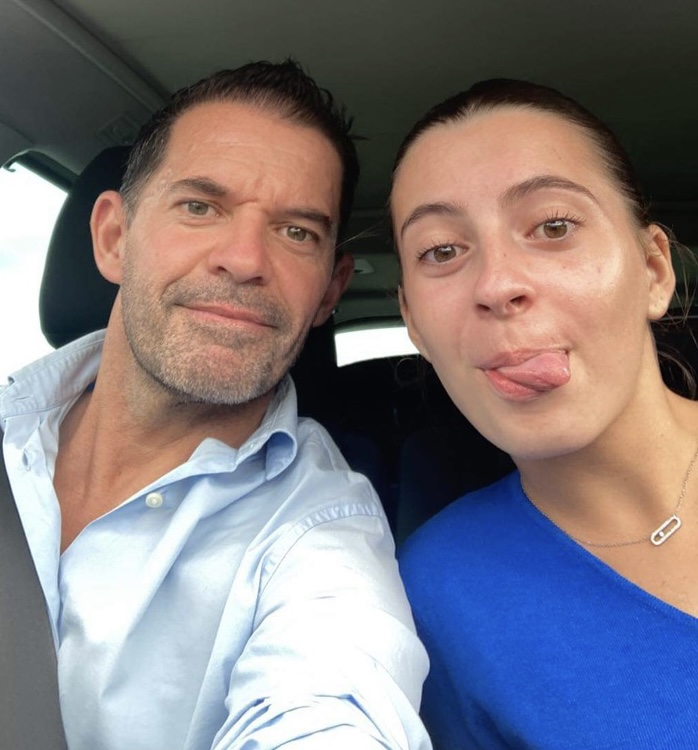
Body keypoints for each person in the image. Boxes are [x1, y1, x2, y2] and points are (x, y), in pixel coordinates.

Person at [0, 60, 430, 750]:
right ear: (113, 238)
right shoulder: (11, 424)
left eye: (297, 232)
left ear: (329, 291)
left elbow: (334, 703)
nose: (244, 259)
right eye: (200, 207)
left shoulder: (319, 538)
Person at [392, 78, 698, 749]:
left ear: (653, 270)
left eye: (554, 227)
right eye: (441, 251)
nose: (497, 285)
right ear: (412, 320)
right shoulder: (432, 596)